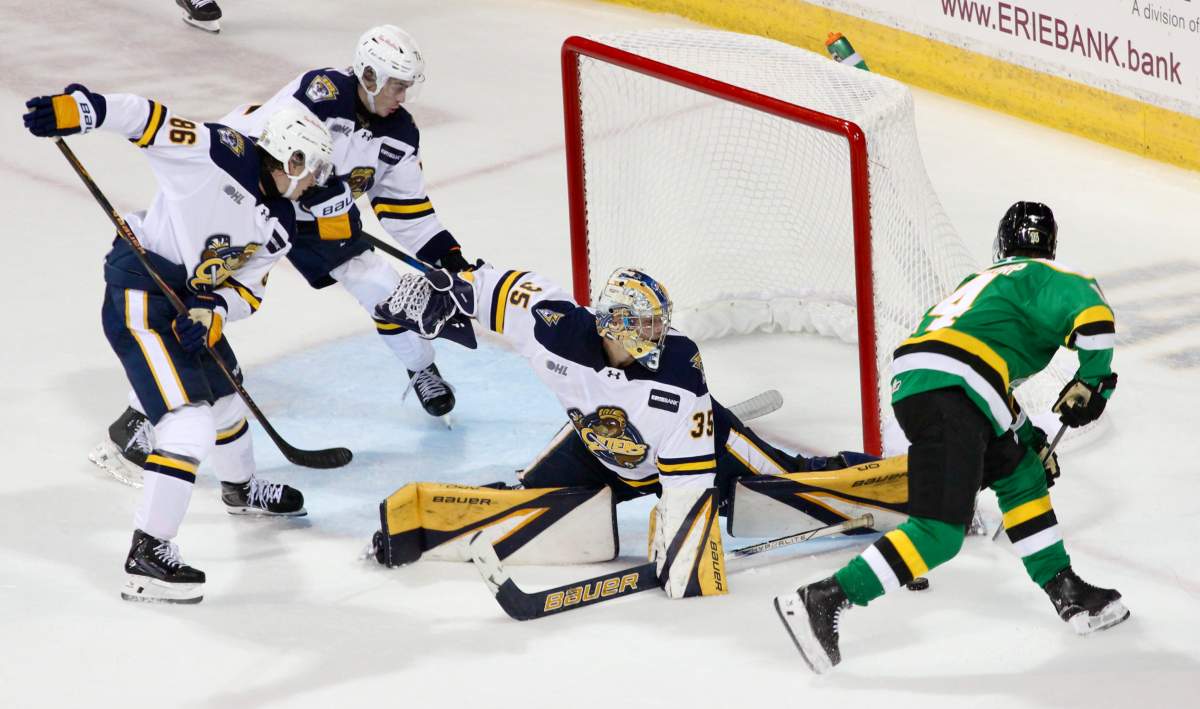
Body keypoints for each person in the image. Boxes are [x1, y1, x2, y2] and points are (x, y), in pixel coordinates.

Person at [90, 25, 474, 486]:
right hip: (254, 202)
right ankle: (139, 420)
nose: (403, 96)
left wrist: (449, 257)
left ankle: (421, 367)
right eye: (396, 84)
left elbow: (406, 209)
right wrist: (320, 192)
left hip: (314, 218)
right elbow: (263, 147)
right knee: (198, 303)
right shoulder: (321, 94)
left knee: (383, 289)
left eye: (407, 86)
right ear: (369, 76)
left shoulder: (401, 133)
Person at [372, 263, 884, 600]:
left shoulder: (679, 377)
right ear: (616, 323)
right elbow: (499, 290)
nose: (660, 334)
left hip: (698, 451)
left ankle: (894, 487)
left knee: (788, 487)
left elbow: (687, 485)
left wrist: (683, 555)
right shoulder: (554, 330)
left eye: (660, 323)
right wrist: (450, 290)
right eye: (648, 325)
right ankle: (423, 529)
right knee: (526, 503)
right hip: (598, 448)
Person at [773, 202, 1126, 674]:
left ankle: (1067, 590)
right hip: (954, 389)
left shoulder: (982, 285)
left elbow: (982, 376)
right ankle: (823, 598)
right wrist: (1093, 381)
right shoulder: (1051, 276)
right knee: (939, 534)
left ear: (1002, 243)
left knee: (1023, 471)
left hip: (941, 384)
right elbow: (1096, 321)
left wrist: (1028, 437)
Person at [24, 85, 338, 603]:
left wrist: (215, 312)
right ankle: (147, 555)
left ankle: (240, 490)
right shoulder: (217, 154)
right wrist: (84, 110)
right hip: (142, 295)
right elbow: (148, 119)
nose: (315, 183)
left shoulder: (282, 221)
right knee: (188, 425)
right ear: (289, 156)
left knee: (228, 399)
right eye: (313, 169)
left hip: (188, 304)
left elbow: (247, 290)